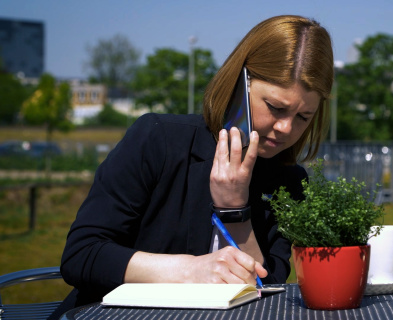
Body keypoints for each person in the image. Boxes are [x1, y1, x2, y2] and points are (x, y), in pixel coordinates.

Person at [49, 15, 334, 318]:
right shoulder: (159, 139)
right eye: (276, 107)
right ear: (239, 85)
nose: (286, 129)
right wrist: (191, 270)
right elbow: (82, 255)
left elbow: (265, 290)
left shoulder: (288, 184)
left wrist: (234, 209)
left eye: (304, 117)